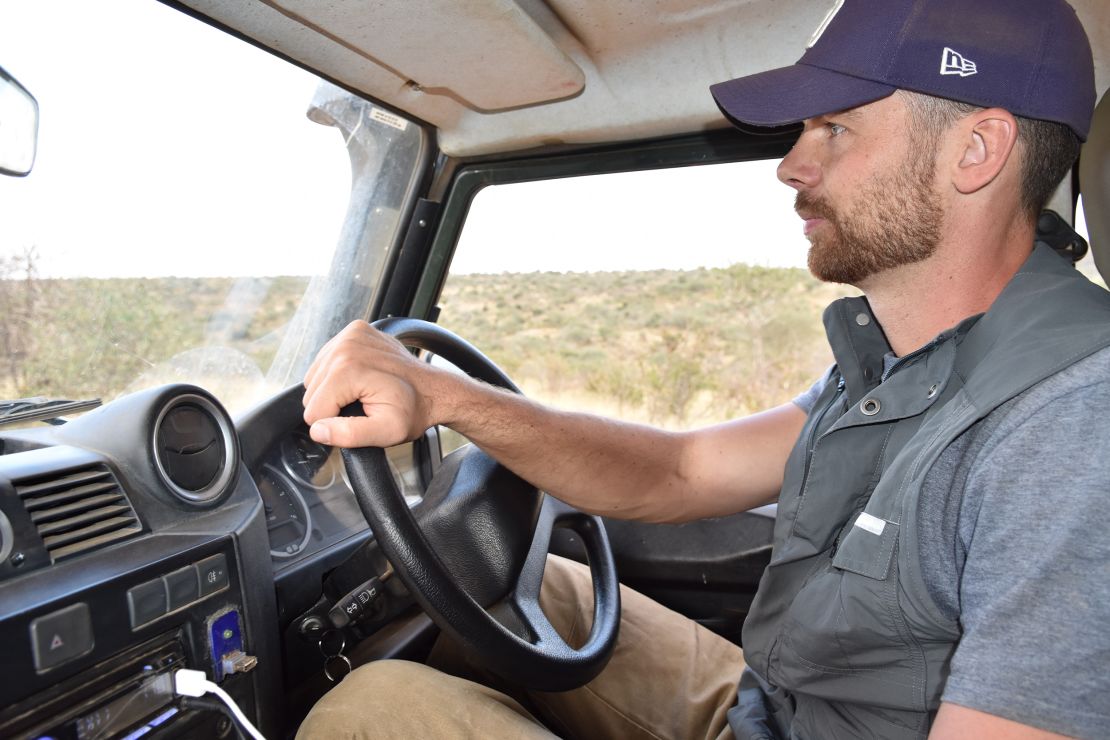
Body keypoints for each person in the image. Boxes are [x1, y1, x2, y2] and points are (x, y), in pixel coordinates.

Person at [297, 0, 1110, 737]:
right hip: (774, 708)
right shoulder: (902, 360)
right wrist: (448, 396)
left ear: (977, 150)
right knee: (528, 585)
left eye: (833, 128)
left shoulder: (1072, 419)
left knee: (373, 710)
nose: (790, 166)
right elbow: (681, 473)